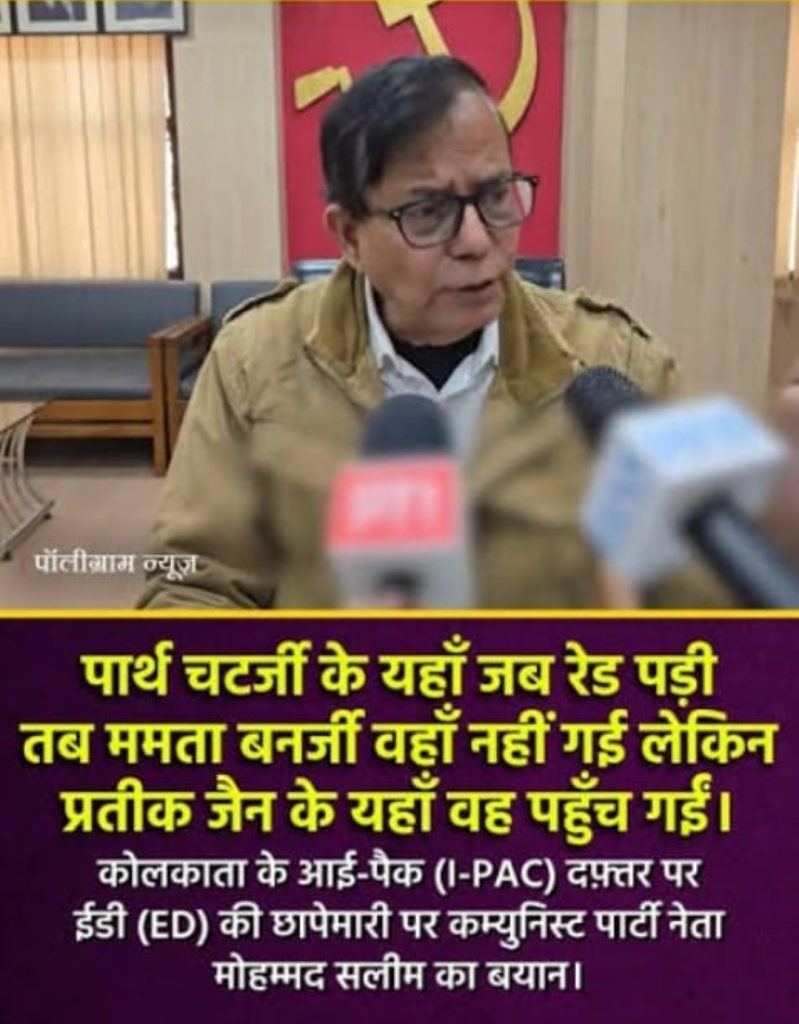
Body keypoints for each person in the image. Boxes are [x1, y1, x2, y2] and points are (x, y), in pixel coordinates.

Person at [139, 54, 725, 610]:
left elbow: (710, 585)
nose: (476, 241)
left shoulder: (615, 366)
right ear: (349, 236)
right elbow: (193, 584)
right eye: (427, 212)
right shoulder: (255, 363)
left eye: (495, 196)